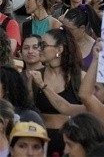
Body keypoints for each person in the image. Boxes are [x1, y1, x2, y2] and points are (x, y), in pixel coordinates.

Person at [27, 28, 85, 156]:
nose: (39, 49)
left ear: (59, 49)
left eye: (43, 45)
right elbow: (29, 110)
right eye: (39, 45)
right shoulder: (35, 77)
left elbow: (85, 110)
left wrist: (43, 86)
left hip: (72, 142)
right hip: (41, 141)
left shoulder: (79, 78)